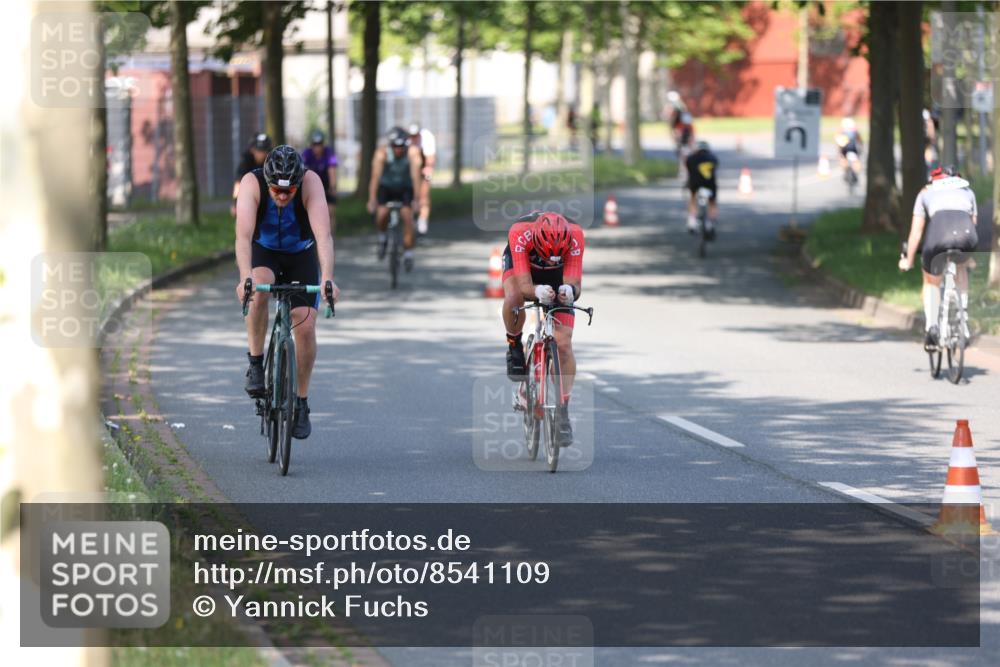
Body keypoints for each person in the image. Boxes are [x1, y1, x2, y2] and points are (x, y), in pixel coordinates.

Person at [236, 145, 340, 439]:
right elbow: (243, 237)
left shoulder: (311, 182)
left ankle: (301, 401)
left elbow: (323, 237)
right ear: (267, 182)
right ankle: (256, 364)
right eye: (276, 191)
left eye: (289, 191)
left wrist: (328, 278)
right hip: (264, 252)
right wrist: (244, 276)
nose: (282, 197)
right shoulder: (251, 183)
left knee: (305, 326)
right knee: (257, 291)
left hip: (300, 255)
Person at [502, 211, 585, 447]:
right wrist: (537, 291)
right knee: (515, 296)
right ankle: (514, 344)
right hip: (524, 267)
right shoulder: (520, 232)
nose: (551, 260)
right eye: (548, 256)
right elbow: (524, 285)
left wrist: (569, 290)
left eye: (555, 257)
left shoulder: (576, 235)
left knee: (564, 345)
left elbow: (575, 283)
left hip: (559, 276)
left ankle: (563, 411)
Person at [898, 166, 978, 349]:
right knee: (961, 266)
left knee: (931, 280)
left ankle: (932, 326)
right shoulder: (968, 191)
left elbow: (916, 233)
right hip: (966, 235)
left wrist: (908, 260)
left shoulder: (925, 192)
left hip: (938, 236)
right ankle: (962, 317)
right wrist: (969, 256)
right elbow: (973, 225)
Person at [368, 127, 423, 270]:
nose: (398, 149)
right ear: (390, 145)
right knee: (382, 214)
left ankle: (409, 253)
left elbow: (416, 177)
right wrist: (372, 199)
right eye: (395, 146)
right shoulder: (382, 153)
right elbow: (375, 177)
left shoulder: (413, 153)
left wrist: (417, 199)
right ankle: (382, 238)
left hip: (405, 188)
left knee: (407, 216)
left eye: (401, 147)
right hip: (387, 188)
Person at [301, 129, 338, 231]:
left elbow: (332, 171)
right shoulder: (306, 154)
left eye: (320, 144)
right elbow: (303, 172)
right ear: (311, 145)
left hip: (326, 184)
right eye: (315, 144)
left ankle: (330, 235)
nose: (317, 147)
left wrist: (333, 187)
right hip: (311, 185)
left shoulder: (329, 153)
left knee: (330, 212)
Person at [685, 140, 719, 238]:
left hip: (695, 184)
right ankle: (710, 223)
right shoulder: (713, 158)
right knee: (712, 202)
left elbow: (688, 170)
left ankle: (692, 221)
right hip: (710, 185)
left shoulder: (691, 158)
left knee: (692, 198)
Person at [232, 133, 272, 216]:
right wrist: (235, 203)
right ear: (252, 150)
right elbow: (239, 183)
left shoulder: (272, 161)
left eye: (264, 150)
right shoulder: (246, 160)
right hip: (250, 194)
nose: (261, 154)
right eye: (258, 150)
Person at [407, 122, 437, 235]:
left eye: (415, 136)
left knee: (424, 196)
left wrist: (428, 169)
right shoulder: (406, 140)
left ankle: (422, 219)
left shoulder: (427, 137)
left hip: (424, 166)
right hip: (410, 168)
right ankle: (410, 218)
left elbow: (430, 158)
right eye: (412, 136)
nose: (413, 138)